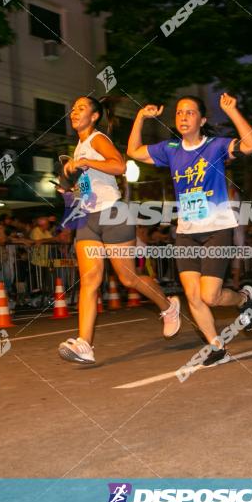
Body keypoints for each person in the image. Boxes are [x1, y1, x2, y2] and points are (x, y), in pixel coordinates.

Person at [128, 93, 252, 366]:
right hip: (187, 231)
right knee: (192, 295)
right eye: (179, 113)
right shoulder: (170, 149)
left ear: (202, 120)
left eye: (190, 113)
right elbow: (133, 151)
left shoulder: (216, 147)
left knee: (209, 296)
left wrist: (233, 111)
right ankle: (217, 347)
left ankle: (242, 298)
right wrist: (140, 117)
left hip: (217, 228)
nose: (183, 117)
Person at [58, 96, 181, 365]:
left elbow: (119, 165)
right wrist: (69, 186)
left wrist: (87, 164)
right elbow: (86, 185)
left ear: (94, 116)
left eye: (81, 108)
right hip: (88, 218)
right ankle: (84, 344)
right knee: (89, 281)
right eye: (73, 108)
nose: (73, 112)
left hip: (113, 213)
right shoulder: (78, 148)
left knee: (128, 279)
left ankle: (168, 306)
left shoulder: (97, 139)